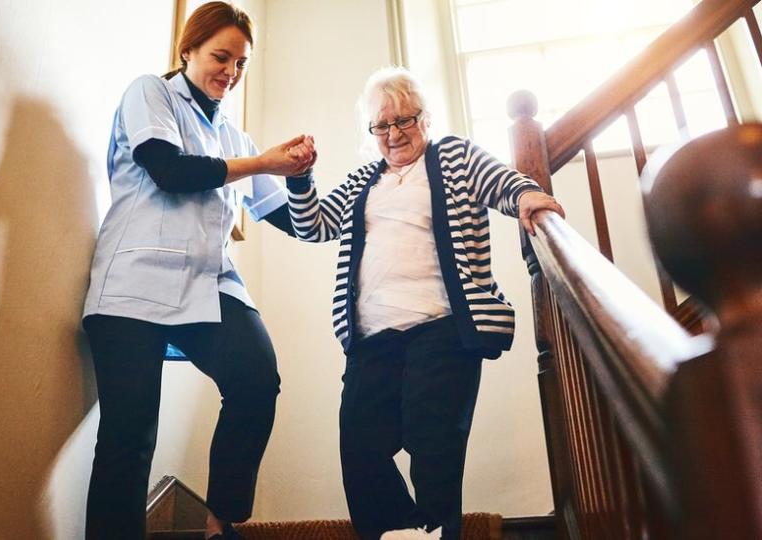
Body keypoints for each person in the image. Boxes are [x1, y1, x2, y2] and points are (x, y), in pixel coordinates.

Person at [283, 67, 564, 540]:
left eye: (404, 120)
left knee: (433, 440)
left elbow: (501, 181)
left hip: (442, 328)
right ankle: (401, 533)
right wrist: (300, 177)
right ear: (371, 131)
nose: (393, 134)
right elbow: (315, 225)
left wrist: (528, 196)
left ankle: (435, 530)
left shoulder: (452, 155)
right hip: (372, 337)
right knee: (360, 445)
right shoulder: (361, 181)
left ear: (425, 119)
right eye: (381, 125)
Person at [80, 3, 313, 539]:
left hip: (209, 284)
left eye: (241, 63)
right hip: (132, 288)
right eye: (221, 57)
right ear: (188, 50)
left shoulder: (234, 136)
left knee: (257, 377)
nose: (230, 72)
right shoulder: (151, 93)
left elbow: (298, 224)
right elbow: (169, 170)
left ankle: (219, 520)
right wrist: (264, 164)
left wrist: (300, 175)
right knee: (130, 435)